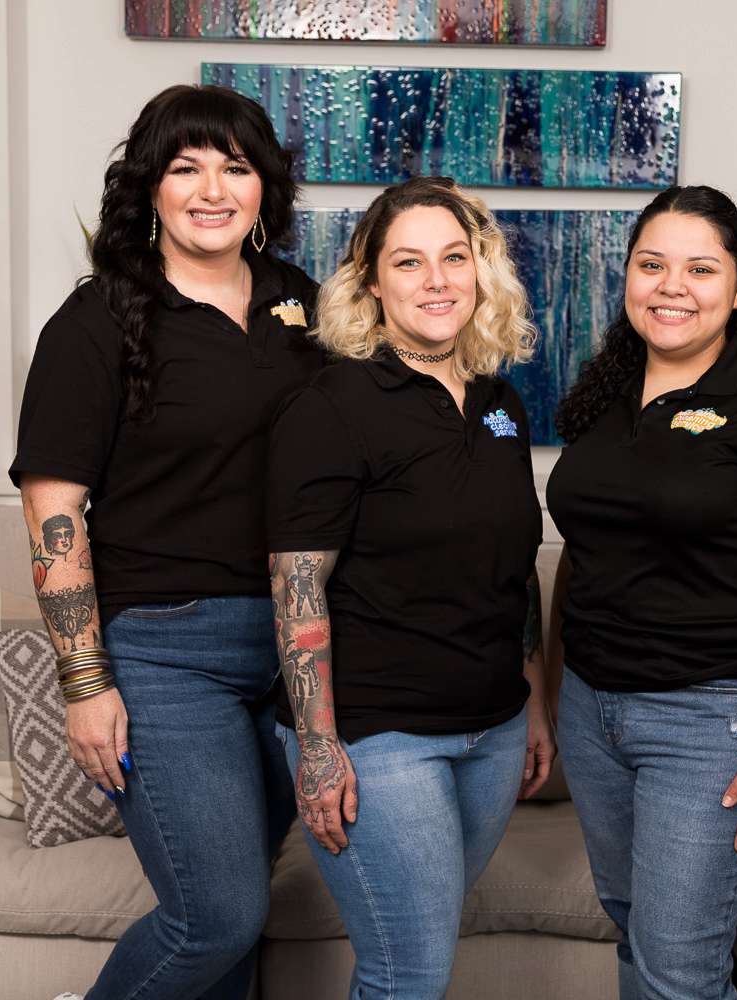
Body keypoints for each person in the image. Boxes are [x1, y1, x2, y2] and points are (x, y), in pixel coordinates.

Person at [10, 84, 324, 1000]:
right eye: (186, 167)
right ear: (150, 187)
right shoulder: (100, 319)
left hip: (293, 650)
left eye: (236, 166)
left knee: (240, 917)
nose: (212, 188)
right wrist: (84, 681)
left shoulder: (302, 307)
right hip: (165, 652)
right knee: (216, 914)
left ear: (266, 187)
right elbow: (53, 506)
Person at [545, 185, 737, 1000]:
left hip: (710, 717)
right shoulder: (604, 397)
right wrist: (551, 691)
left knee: (678, 962)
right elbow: (582, 553)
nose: (672, 286)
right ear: (629, 275)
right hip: (592, 707)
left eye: (700, 268)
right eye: (653, 264)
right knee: (634, 923)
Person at [265, 175, 556, 1000]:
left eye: (454, 257)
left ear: (481, 270)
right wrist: (318, 748)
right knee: (408, 974)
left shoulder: (503, 404)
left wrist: (530, 697)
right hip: (376, 736)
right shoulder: (332, 403)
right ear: (370, 283)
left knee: (413, 954)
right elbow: (297, 587)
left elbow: (512, 561)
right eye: (409, 262)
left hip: (492, 731)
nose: (436, 280)